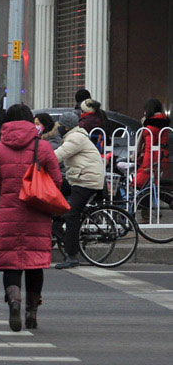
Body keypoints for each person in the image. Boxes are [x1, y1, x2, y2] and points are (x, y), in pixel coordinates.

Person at [0, 104, 62, 331]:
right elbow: (57, 180)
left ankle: (14, 302)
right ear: (30, 121)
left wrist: (3, 201)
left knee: (11, 262)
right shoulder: (43, 147)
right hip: (37, 212)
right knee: (34, 262)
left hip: (9, 210)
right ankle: (31, 312)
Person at [52, 111, 105, 269]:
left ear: (66, 127)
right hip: (78, 177)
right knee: (54, 190)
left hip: (86, 180)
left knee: (72, 215)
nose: (58, 128)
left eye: (60, 126)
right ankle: (57, 223)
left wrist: (39, 160)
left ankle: (72, 256)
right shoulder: (73, 136)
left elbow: (57, 156)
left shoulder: (76, 138)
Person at [134, 99, 171, 190]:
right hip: (163, 157)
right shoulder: (163, 123)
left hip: (153, 159)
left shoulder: (151, 127)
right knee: (159, 185)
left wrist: (146, 165)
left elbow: (149, 147)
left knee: (138, 183)